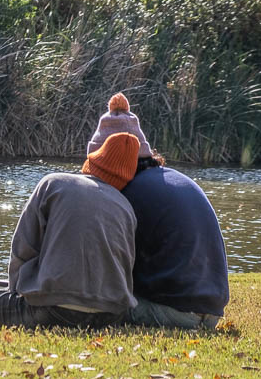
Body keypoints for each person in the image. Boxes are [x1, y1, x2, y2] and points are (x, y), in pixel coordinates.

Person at [0, 132, 141, 328]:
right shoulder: (126, 206)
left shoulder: (54, 183)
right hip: (110, 317)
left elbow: (23, 248)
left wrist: (14, 293)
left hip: (53, 311)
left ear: (92, 161)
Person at [86, 92, 229, 330]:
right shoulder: (174, 179)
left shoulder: (128, 195)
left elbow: (111, 268)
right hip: (212, 312)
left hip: (173, 313)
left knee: (85, 302)